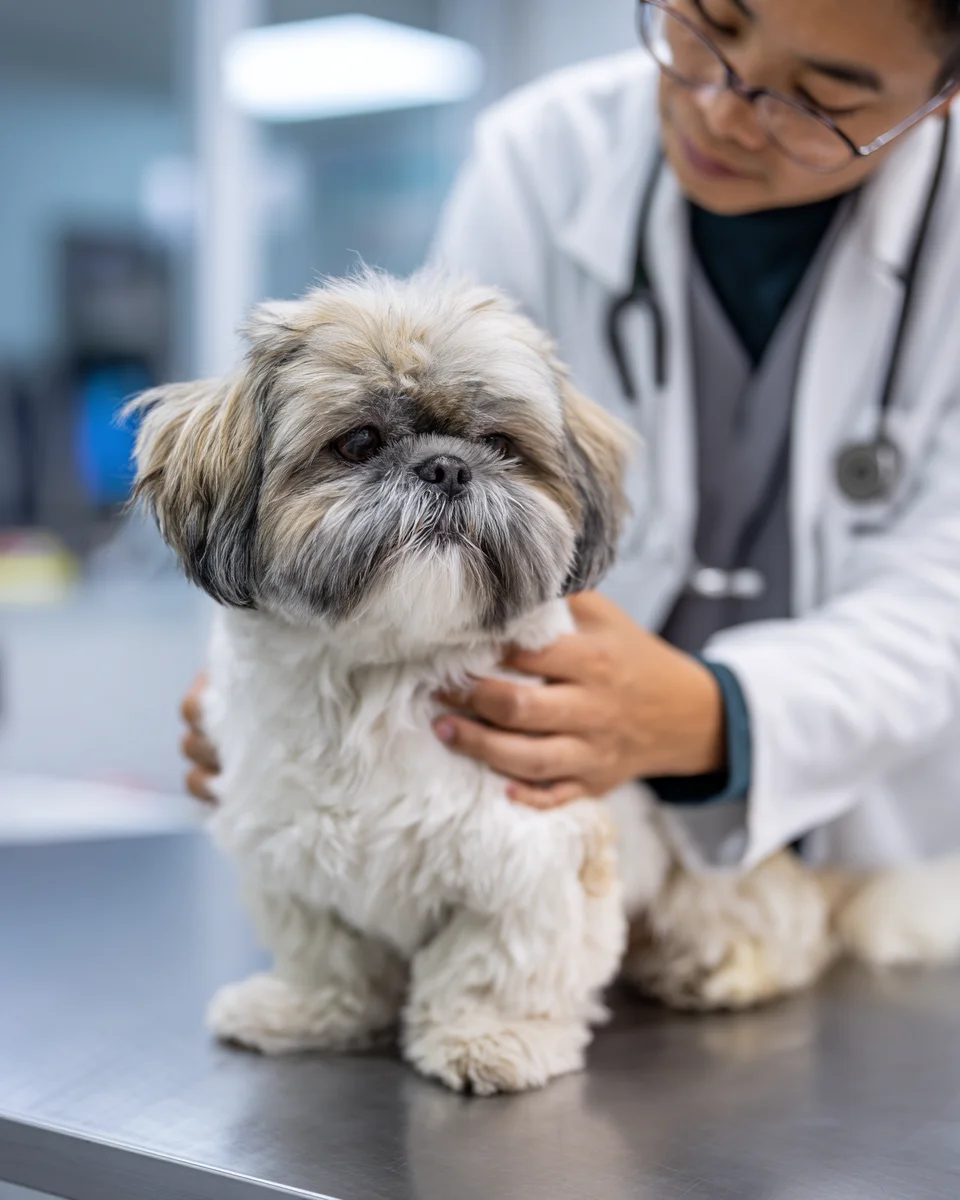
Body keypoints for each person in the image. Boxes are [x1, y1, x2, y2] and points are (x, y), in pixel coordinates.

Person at [183, 0, 960, 875]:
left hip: (881, 844)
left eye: (818, 98)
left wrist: (720, 713)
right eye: (711, 26)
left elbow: (944, 601)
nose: (720, 108)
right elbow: (425, 459)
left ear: (941, 98)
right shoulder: (545, 155)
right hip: (517, 809)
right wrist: (284, 682)